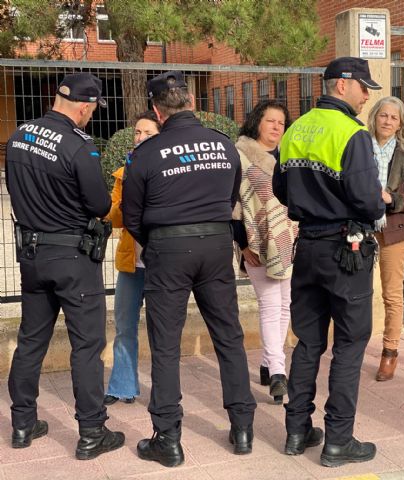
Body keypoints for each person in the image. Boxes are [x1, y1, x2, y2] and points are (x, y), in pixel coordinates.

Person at [122, 71, 256, 468]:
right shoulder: (223, 145)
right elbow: (231, 195)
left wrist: (160, 239)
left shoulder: (147, 152)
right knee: (229, 336)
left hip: (168, 247)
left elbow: (132, 215)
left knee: (165, 344)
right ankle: (242, 427)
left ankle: (168, 437)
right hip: (215, 243)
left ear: (157, 111)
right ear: (192, 103)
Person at [5, 72, 125, 459]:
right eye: (93, 109)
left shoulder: (19, 135)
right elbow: (98, 205)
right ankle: (92, 432)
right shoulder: (79, 146)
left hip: (32, 256)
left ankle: (23, 424)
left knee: (30, 341)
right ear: (86, 106)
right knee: (87, 345)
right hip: (73, 258)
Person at [273, 56, 385, 467]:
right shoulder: (351, 133)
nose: (367, 95)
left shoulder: (296, 128)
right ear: (342, 85)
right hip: (346, 249)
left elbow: (281, 189)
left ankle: (297, 430)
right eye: (363, 87)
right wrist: (376, 202)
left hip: (308, 247)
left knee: (308, 342)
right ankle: (338, 440)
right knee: (351, 344)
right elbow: (369, 200)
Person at [231, 100, 297, 404]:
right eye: (270, 121)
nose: (276, 127)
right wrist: (243, 245)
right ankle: (278, 374)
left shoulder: (289, 155)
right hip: (256, 242)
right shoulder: (240, 155)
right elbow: (233, 206)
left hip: (289, 239)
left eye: (281, 123)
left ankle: (268, 363)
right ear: (257, 121)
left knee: (285, 304)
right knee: (271, 304)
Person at [104, 111, 161, 406]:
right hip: (130, 262)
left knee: (160, 328)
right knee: (125, 325)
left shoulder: (167, 170)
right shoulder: (122, 174)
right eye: (137, 132)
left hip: (162, 263)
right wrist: (125, 202)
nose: (140, 138)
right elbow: (112, 218)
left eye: (148, 133)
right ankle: (123, 386)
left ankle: (164, 391)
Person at [367, 96, 404, 382]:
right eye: (383, 115)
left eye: (394, 117)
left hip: (394, 229)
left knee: (391, 294)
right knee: (357, 293)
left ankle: (389, 352)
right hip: (362, 229)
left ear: (401, 123)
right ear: (375, 117)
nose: (388, 121)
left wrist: (392, 198)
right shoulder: (360, 147)